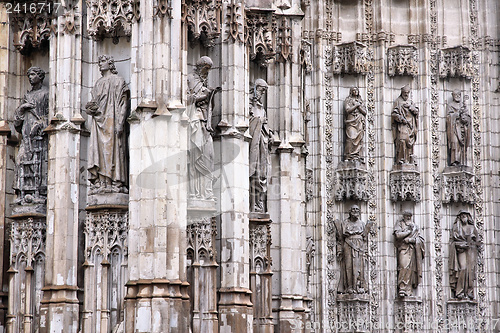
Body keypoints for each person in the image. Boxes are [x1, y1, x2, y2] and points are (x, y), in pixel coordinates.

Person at [86, 55, 129, 194]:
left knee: (113, 151)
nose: (100, 64)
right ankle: (102, 183)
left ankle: (114, 182)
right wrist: (91, 109)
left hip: (113, 121)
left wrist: (121, 122)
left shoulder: (118, 81)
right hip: (99, 123)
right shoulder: (98, 83)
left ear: (110, 64)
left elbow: (124, 104)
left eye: (103, 61)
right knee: (99, 151)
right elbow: (95, 103)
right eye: (98, 62)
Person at [13, 67, 49, 204]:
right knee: (21, 161)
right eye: (29, 74)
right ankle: (23, 193)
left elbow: (49, 116)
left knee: (38, 163)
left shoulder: (46, 94)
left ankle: (38, 193)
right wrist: (22, 109)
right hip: (26, 137)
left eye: (33, 74)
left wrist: (40, 124)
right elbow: (17, 124)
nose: (30, 77)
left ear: (40, 76)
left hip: (39, 137)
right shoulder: (26, 96)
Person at [187, 56, 221, 200]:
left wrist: (210, 95)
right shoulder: (190, 79)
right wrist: (204, 96)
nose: (206, 73)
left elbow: (209, 105)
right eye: (205, 69)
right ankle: (194, 192)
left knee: (208, 157)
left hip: (205, 124)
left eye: (208, 70)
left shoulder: (203, 83)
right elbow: (188, 100)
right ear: (199, 67)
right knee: (196, 156)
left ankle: (206, 192)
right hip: (195, 121)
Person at [335, 205, 373, 294]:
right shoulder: (345, 223)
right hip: (348, 245)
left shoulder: (362, 224)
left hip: (359, 247)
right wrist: (339, 250)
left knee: (359, 267)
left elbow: (365, 239)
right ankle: (349, 287)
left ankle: (359, 286)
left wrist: (365, 250)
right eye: (353, 209)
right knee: (348, 266)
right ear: (350, 211)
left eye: (357, 209)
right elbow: (341, 237)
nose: (355, 211)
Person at [249, 79, 271, 213]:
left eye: (263, 92)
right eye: (261, 90)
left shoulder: (261, 108)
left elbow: (266, 124)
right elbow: (250, 122)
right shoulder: (250, 105)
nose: (262, 94)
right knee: (255, 171)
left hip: (263, 142)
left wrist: (270, 134)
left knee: (263, 172)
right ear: (256, 88)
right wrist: (258, 121)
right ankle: (254, 203)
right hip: (254, 143)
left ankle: (258, 202)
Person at [394, 211, 425, 297]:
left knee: (410, 270)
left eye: (409, 216)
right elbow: (397, 235)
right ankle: (402, 286)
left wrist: (411, 240)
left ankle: (408, 289)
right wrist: (408, 232)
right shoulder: (400, 224)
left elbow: (420, 240)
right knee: (404, 266)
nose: (408, 218)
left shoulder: (415, 227)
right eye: (407, 216)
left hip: (412, 250)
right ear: (403, 216)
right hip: (403, 249)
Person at [449, 210, 478, 300]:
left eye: (465, 216)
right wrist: (460, 245)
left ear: (468, 217)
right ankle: (460, 291)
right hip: (461, 251)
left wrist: (473, 241)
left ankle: (469, 291)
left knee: (470, 271)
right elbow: (452, 242)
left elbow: (478, 242)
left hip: (470, 251)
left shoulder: (472, 228)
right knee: (463, 268)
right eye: (461, 216)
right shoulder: (457, 228)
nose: (463, 218)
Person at [391, 85, 419, 165]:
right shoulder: (398, 101)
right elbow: (394, 114)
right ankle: (401, 159)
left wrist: (411, 107)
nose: (406, 94)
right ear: (402, 93)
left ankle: (409, 159)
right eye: (405, 93)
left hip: (410, 126)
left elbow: (416, 112)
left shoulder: (411, 102)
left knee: (409, 144)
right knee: (402, 140)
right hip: (402, 125)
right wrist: (400, 119)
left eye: (407, 93)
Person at [446, 90, 471, 166]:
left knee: (462, 146)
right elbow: (448, 117)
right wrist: (456, 114)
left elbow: (468, 118)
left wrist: (465, 119)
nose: (457, 96)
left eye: (459, 94)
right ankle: (454, 161)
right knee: (454, 142)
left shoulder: (462, 106)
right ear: (453, 96)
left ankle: (462, 161)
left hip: (462, 129)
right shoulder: (450, 105)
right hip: (454, 129)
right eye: (456, 94)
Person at [343, 87, 366, 162]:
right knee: (351, 137)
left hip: (359, 122)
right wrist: (356, 105)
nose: (355, 91)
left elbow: (365, 112)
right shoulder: (348, 100)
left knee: (359, 139)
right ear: (351, 92)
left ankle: (356, 155)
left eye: (356, 90)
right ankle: (349, 156)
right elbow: (347, 110)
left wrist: (358, 106)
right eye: (353, 90)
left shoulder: (360, 101)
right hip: (351, 121)